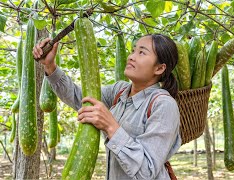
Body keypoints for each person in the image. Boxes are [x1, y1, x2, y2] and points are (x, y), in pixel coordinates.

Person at [33, 33, 181, 179]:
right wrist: (50, 66)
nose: (131, 56)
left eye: (142, 52)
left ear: (159, 69)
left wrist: (111, 126)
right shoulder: (119, 91)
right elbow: (80, 98)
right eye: (133, 51)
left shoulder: (164, 105)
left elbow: (147, 171)